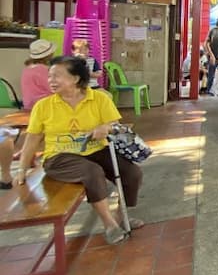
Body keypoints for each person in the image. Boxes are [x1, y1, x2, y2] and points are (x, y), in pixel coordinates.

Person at [15, 56, 144, 245]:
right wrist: (22, 168)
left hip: (95, 150)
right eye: (49, 77)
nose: (51, 81)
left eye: (57, 76)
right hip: (60, 156)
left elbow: (115, 125)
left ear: (75, 79)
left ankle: (120, 216)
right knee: (92, 172)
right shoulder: (43, 106)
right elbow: (32, 138)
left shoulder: (99, 98)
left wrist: (105, 128)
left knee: (132, 174)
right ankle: (109, 224)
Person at [21, 39, 56, 110]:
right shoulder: (44, 70)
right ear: (49, 55)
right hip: (44, 106)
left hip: (28, 105)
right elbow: (53, 88)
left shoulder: (27, 69)